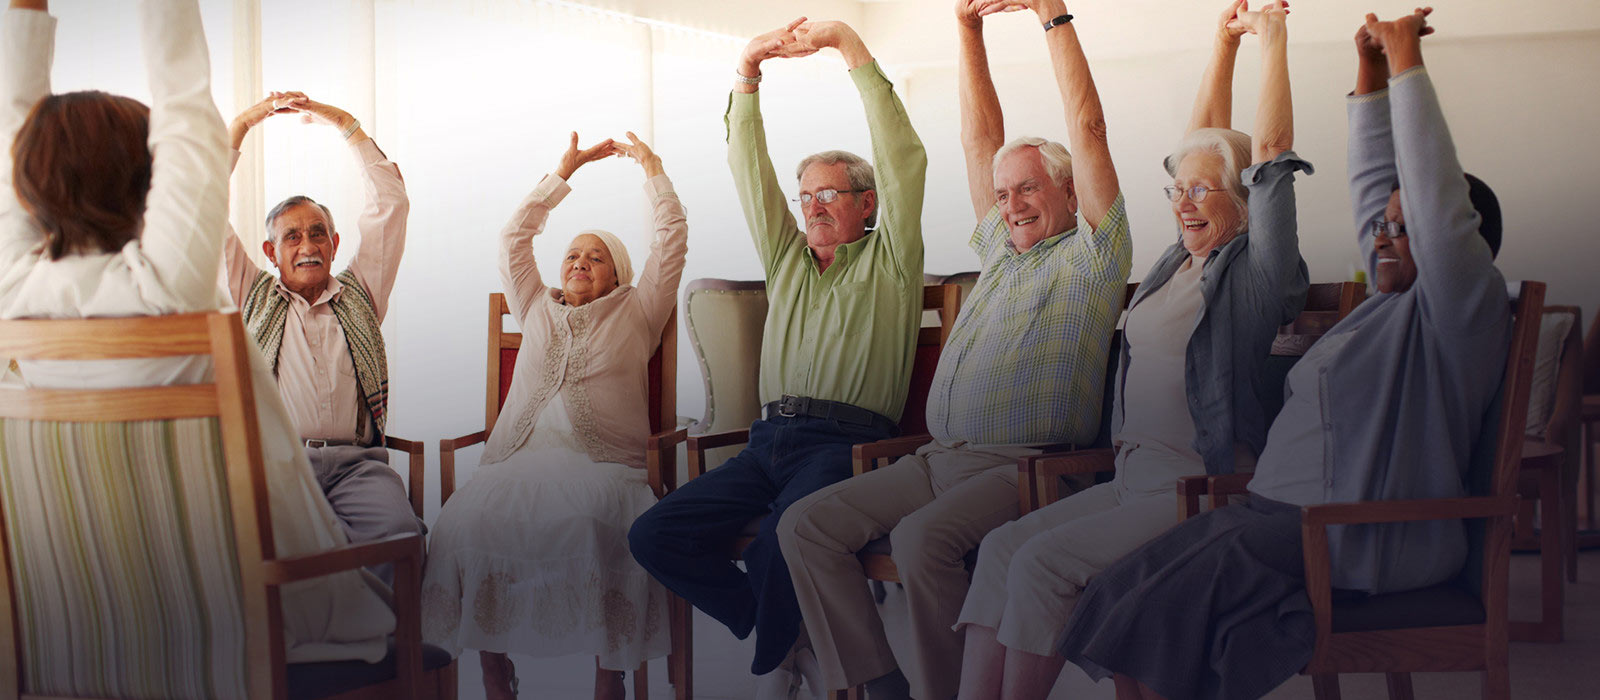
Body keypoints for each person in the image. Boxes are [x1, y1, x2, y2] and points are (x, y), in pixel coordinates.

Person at [1056, 9, 1510, 700]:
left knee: (1163, 612)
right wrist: (1369, 75)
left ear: (1459, 244)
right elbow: (1374, 191)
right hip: (1278, 518)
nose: (1384, 237)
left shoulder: (1456, 313)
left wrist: (1408, 62)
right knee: (1128, 590)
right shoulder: (1384, 308)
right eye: (1382, 226)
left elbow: (1435, 193)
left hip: (1352, 536)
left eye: (1405, 226)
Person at [0, 0, 394, 675]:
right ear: (149, 184)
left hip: (75, 639)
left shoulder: (12, 296)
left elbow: (17, 131)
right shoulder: (172, 288)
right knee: (399, 572)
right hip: (239, 634)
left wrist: (22, 12)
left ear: (26, 184)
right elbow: (185, 107)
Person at [952, 3, 1311, 699]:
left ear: (1243, 198)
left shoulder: (1255, 275)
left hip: (1201, 486)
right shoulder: (1178, 260)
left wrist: (1272, 38)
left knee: (1042, 564)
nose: (1184, 202)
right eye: (1176, 190)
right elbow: (1202, 146)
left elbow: (1265, 154)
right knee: (1001, 551)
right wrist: (1221, 41)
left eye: (1202, 190)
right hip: (1135, 478)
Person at [775, 0, 1132, 697]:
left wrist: (1053, 18)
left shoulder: (1094, 254)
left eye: (1029, 186)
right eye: (1003, 192)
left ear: (1066, 188)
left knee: (919, 543)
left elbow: (1088, 129)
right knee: (805, 527)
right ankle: (880, 682)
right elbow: (978, 141)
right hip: (939, 459)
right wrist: (966, 28)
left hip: (1028, 468)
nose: (1012, 202)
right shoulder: (999, 250)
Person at [628, 17, 927, 698]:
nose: (814, 206)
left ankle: (794, 655)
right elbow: (746, 167)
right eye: (806, 196)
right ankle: (783, 638)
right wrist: (747, 71)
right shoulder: (787, 259)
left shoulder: (892, 261)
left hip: (846, 444)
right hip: (768, 443)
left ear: (868, 204)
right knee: (653, 535)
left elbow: (903, 155)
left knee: (782, 541)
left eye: (831, 194)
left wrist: (850, 47)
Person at [420, 132, 685, 700]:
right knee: (464, 524)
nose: (580, 262)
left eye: (597, 257)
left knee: (589, 528)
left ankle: (607, 674)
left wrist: (651, 168)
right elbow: (514, 237)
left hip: (605, 466)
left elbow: (672, 241)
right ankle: (494, 669)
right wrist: (562, 174)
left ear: (619, 275)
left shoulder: (640, 309)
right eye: (572, 254)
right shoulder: (535, 304)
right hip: (517, 460)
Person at [222, 90, 423, 579]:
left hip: (359, 466)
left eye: (317, 234)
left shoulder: (362, 293)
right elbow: (201, 213)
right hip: (280, 468)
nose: (307, 245)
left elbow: (391, 203)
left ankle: (390, 654)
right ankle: (302, 654)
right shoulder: (253, 294)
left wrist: (343, 122)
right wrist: (245, 124)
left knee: (403, 538)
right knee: (261, 554)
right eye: (292, 236)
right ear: (271, 252)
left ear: (334, 244)